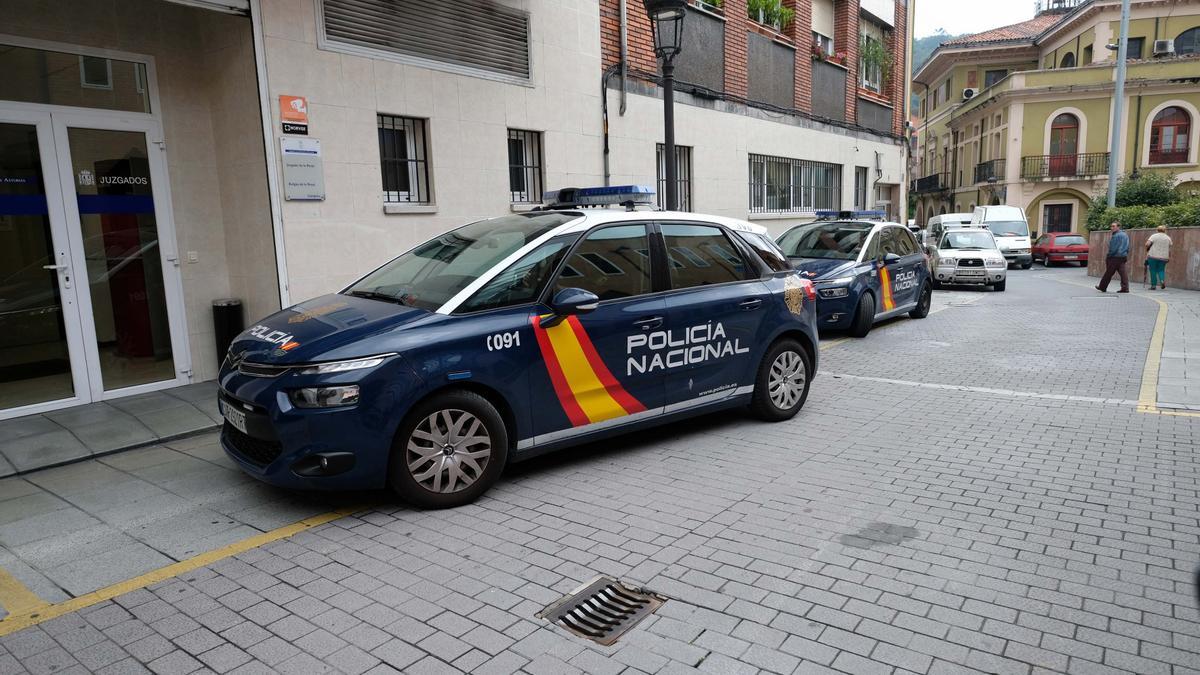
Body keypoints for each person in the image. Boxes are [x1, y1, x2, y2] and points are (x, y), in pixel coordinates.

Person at [1096, 220, 1130, 293]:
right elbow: (1127, 247)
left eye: (1113, 226)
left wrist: (1109, 255)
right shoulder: (1125, 235)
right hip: (1123, 256)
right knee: (1123, 273)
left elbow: (1113, 248)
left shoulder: (1116, 235)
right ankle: (1125, 288)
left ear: (1118, 227)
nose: (1112, 228)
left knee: (1109, 272)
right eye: (1111, 226)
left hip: (1115, 257)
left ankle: (1102, 287)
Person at [1145, 225, 1172, 290]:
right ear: (1165, 230)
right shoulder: (1168, 238)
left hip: (1153, 256)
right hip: (1164, 257)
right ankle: (1162, 280)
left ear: (1157, 230)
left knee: (1153, 270)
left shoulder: (1154, 236)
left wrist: (1148, 247)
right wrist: (1169, 257)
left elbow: (1147, 244)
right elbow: (1169, 247)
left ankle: (1153, 285)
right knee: (1161, 269)